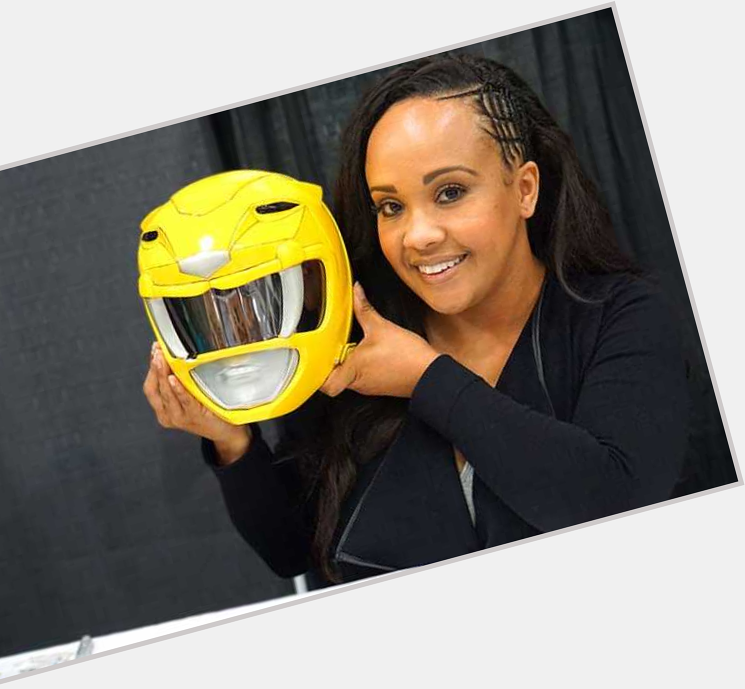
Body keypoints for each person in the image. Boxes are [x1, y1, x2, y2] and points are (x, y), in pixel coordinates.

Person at [142, 53, 690, 587]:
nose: (418, 236)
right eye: (391, 206)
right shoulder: (352, 344)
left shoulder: (622, 317)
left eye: (450, 192)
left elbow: (616, 504)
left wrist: (427, 379)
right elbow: (292, 550)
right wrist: (231, 441)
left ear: (525, 188)